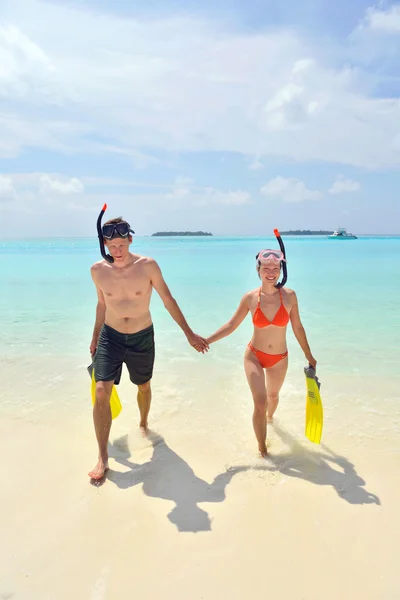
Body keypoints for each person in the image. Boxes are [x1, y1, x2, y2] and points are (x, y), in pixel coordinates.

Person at [88, 215, 209, 480]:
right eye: (112, 246)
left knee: (143, 386)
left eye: (122, 244)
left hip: (142, 336)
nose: (117, 250)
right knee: (100, 390)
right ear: (105, 244)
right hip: (111, 335)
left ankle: (143, 423)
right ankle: (102, 456)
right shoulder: (97, 270)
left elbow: (168, 299)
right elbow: (101, 305)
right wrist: (96, 336)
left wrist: (189, 333)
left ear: (130, 240)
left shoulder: (148, 266)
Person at [205, 247, 316, 457]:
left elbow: (298, 328)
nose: (271, 271)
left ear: (281, 270)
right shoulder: (250, 298)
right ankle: (262, 451)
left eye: (276, 267)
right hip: (254, 355)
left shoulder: (290, 296)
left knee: (273, 397)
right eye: (266, 267)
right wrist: (207, 340)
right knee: (260, 402)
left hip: (279, 359)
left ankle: (270, 420)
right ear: (258, 270)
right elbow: (231, 325)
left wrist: (309, 355)